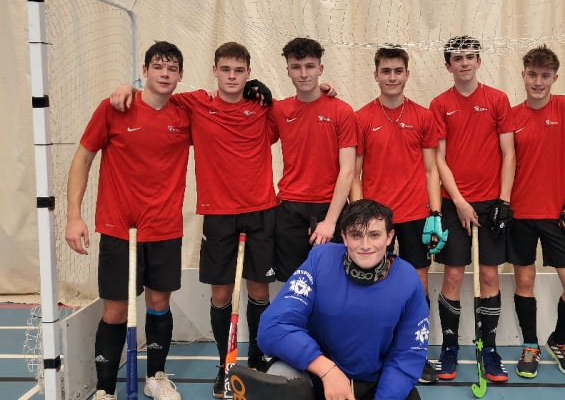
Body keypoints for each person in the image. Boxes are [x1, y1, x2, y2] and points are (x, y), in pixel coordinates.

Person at [110, 42, 279, 398]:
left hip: (261, 209)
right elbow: (156, 94)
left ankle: (260, 363)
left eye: (239, 71)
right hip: (217, 214)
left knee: (259, 290)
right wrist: (129, 86)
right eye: (225, 70)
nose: (232, 77)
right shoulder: (195, 103)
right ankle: (225, 364)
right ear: (214, 71)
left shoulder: (263, 107)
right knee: (220, 293)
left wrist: (324, 90)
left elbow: (300, 109)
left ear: (248, 73)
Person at [65, 41, 189, 400]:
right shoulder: (114, 107)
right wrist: (74, 215)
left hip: (165, 228)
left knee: (158, 304)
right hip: (120, 229)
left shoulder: (185, 113)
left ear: (180, 76)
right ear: (146, 70)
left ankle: (156, 377)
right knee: (117, 310)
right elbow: (83, 159)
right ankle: (105, 390)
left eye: (172, 69)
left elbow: (225, 101)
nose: (165, 74)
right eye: (158, 67)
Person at [258, 199, 428, 400]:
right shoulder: (320, 260)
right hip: (318, 374)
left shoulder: (408, 280)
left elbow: (407, 354)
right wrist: (326, 370)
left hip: (375, 383)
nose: (365, 245)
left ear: (390, 237)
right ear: (344, 237)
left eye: (374, 235)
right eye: (356, 235)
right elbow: (273, 326)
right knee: (281, 380)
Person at [350, 45, 447, 384]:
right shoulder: (361, 117)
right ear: (375, 75)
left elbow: (432, 170)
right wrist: (362, 217)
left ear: (407, 74)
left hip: (416, 216)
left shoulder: (423, 116)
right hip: (377, 222)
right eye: (385, 71)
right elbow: (354, 173)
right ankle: (376, 353)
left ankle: (414, 354)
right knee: (374, 284)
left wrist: (435, 213)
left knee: (416, 285)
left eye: (398, 71)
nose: (392, 77)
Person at [429, 36, 516, 382]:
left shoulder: (497, 100)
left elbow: (509, 153)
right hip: (454, 204)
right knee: (452, 276)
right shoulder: (439, 104)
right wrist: (461, 203)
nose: (464, 63)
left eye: (469, 57)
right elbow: (439, 159)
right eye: (457, 58)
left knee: (491, 276)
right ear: (448, 66)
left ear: (479, 61)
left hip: (491, 204)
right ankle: (450, 347)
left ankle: (489, 348)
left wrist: (504, 201)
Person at [507, 45, 565, 379]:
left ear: (555, 78)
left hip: (558, 216)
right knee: (524, 282)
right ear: (523, 74)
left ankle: (559, 340)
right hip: (520, 215)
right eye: (532, 74)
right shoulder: (512, 115)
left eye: (545, 76)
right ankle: (530, 344)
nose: (538, 82)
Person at [268, 37, 357, 282]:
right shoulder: (279, 110)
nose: (303, 73)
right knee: (295, 286)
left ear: (320, 68)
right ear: (288, 71)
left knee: (331, 285)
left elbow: (348, 170)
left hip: (330, 207)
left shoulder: (342, 111)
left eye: (309, 66)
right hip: (289, 210)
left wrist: (330, 221)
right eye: (296, 67)